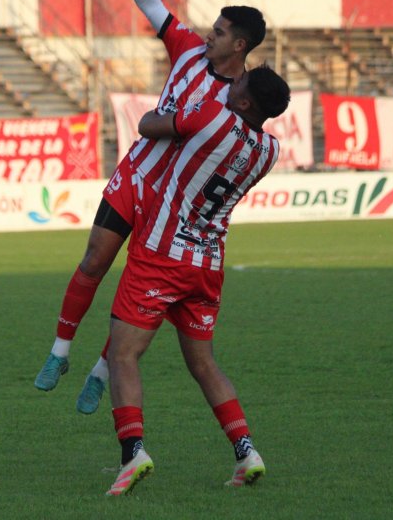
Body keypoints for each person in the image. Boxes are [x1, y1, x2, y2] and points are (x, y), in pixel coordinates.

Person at [34, 0, 268, 416]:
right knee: (94, 259)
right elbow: (153, 5)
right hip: (136, 175)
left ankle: (103, 372)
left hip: (174, 202)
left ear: (239, 45)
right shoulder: (185, 50)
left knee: (137, 288)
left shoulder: (238, 103)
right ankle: (60, 353)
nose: (210, 33)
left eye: (220, 31)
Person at [104, 64, 290, 496]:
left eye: (238, 83)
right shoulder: (269, 150)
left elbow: (148, 125)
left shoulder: (210, 116)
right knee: (204, 362)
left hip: (162, 255)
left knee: (123, 354)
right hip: (207, 263)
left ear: (243, 101)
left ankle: (133, 453)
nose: (230, 82)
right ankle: (247, 452)